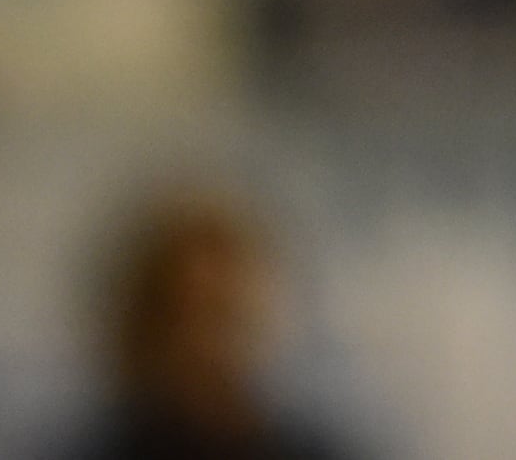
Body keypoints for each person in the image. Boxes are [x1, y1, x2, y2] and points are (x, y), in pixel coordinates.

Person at [54, 191, 351, 460]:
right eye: (182, 315)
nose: (203, 340)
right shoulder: (97, 451)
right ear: (144, 326)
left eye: (220, 312)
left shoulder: (308, 451)